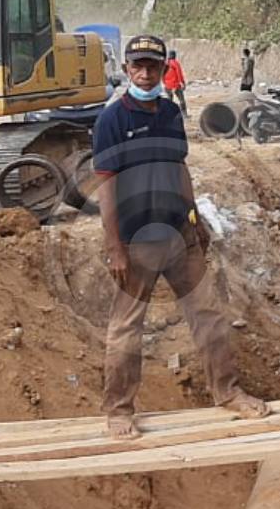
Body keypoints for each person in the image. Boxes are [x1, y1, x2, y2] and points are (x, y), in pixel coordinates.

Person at [93, 34, 269, 438]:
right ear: (126, 70)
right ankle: (119, 411)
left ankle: (227, 392)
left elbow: (180, 169)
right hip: (136, 243)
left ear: (163, 70)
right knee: (126, 329)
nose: (145, 72)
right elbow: (104, 184)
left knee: (209, 316)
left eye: (152, 66)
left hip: (178, 236)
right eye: (137, 66)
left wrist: (196, 221)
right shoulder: (112, 119)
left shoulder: (171, 113)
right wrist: (114, 246)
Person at [164, 50, 188, 117]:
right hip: (175, 85)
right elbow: (179, 74)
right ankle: (184, 114)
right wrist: (183, 83)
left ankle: (168, 115)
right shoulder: (175, 63)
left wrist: (164, 83)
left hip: (167, 86)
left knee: (169, 101)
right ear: (174, 55)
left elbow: (161, 75)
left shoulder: (165, 64)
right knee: (181, 100)